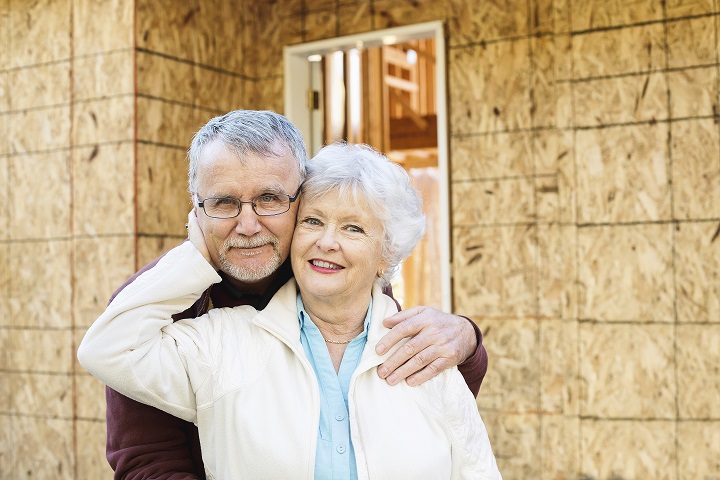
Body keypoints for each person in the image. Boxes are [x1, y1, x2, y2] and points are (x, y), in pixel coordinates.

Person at [101, 110, 489, 479]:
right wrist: (193, 256)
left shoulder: (327, 271)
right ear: (196, 207)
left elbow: (410, 397)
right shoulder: (152, 310)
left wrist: (467, 339)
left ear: (298, 198)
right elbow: (145, 462)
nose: (248, 225)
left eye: (269, 198)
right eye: (224, 202)